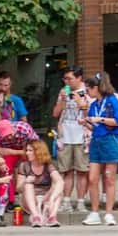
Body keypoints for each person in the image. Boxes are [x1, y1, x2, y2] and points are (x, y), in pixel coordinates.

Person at [80, 72, 118, 226]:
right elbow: (95, 128)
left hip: (111, 141)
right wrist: (86, 123)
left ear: (96, 88)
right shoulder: (93, 105)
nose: (87, 92)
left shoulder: (112, 101)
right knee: (92, 178)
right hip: (97, 141)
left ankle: (109, 213)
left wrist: (101, 119)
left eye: (89, 89)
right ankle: (94, 212)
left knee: (109, 178)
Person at [52, 68, 89, 213]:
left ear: (79, 78)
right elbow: (55, 113)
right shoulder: (63, 92)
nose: (66, 82)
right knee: (66, 170)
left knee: (82, 171)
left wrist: (80, 101)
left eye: (69, 78)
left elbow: (89, 113)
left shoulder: (87, 91)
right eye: (65, 79)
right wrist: (62, 99)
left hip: (82, 136)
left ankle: (80, 201)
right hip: (65, 135)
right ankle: (66, 201)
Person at [18, 140, 64, 227]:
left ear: (38, 151)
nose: (27, 153)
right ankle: (36, 216)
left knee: (57, 186)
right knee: (28, 185)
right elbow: (19, 189)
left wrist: (51, 198)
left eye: (30, 150)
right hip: (30, 200)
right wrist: (25, 181)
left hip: (46, 199)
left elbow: (60, 181)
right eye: (27, 150)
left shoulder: (49, 165)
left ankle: (52, 217)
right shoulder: (24, 165)